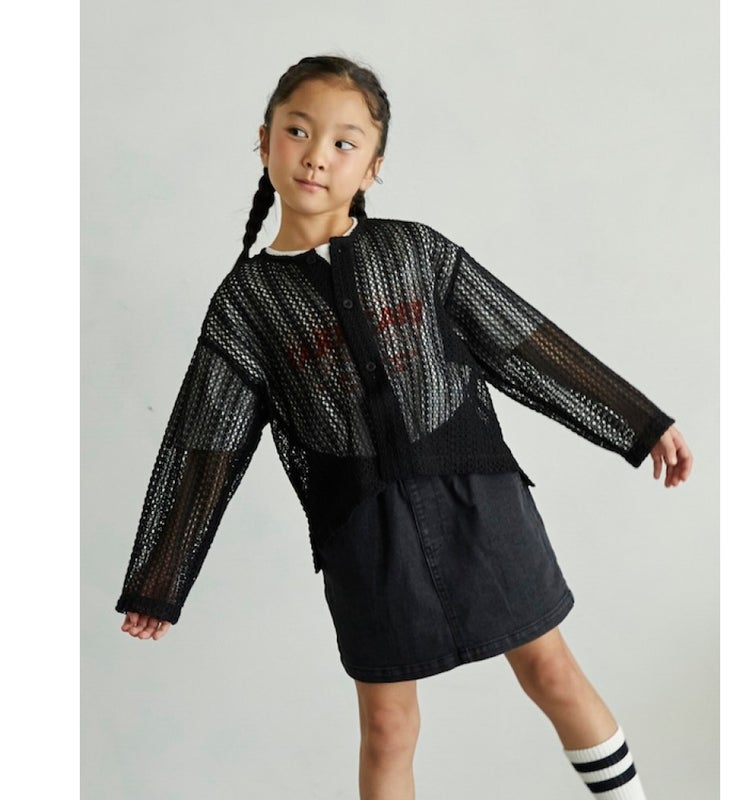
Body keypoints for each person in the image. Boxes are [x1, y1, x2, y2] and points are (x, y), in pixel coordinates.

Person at [115, 54, 693, 799]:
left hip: (481, 501)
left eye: (343, 142)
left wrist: (638, 424)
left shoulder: (416, 250)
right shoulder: (245, 304)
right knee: (389, 727)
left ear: (373, 168)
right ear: (264, 142)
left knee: (552, 673)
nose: (316, 155)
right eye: (298, 131)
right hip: (363, 530)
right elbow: (207, 442)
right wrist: (160, 579)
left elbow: (523, 342)